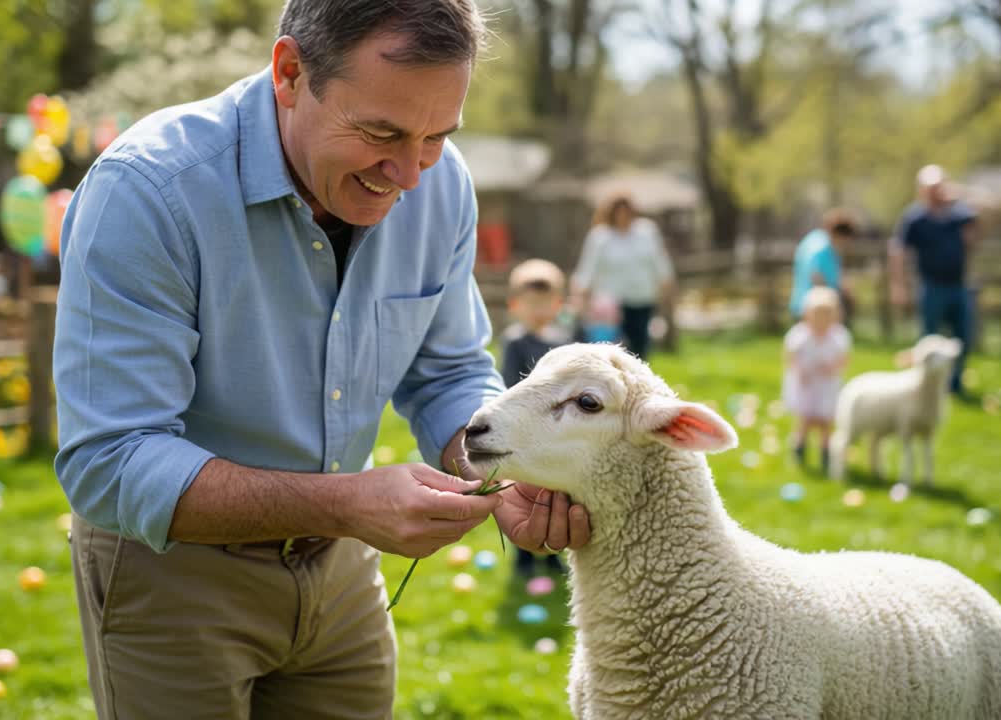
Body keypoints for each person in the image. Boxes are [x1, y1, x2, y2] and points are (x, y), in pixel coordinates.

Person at [52, 3, 591, 718]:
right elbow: (110, 460)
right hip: (170, 577)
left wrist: (497, 466)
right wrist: (347, 503)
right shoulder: (150, 191)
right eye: (381, 132)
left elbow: (449, 370)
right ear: (289, 73)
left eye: (435, 136)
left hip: (341, 569)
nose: (408, 175)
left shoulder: (443, 183)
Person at [499, 258, 570, 577]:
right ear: (516, 306)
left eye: (545, 304)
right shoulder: (515, 342)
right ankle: (523, 554)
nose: (539, 311)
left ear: (558, 305)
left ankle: (553, 551)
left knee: (557, 489)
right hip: (525, 432)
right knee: (524, 489)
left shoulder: (562, 342)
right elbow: (511, 386)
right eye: (531, 305)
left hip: (556, 433)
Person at [890, 164, 978, 396]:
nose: (936, 192)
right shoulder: (914, 218)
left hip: (959, 284)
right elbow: (898, 251)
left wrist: (958, 196)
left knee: (963, 337)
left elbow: (978, 223)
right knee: (929, 339)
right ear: (922, 190)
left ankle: (954, 383)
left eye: (939, 187)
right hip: (931, 286)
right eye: (931, 188)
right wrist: (899, 285)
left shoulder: (959, 213)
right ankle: (925, 384)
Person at [570, 194, 675, 359]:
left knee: (640, 342)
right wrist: (580, 293)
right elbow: (588, 268)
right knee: (615, 346)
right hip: (611, 303)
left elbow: (659, 261)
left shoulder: (646, 232)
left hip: (642, 297)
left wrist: (666, 284)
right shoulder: (600, 237)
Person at [782, 286, 851, 470]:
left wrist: (833, 367)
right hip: (806, 385)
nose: (821, 321)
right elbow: (791, 356)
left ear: (835, 316)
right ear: (807, 315)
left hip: (827, 385)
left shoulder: (838, 336)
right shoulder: (800, 335)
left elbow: (843, 359)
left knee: (826, 421)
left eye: (826, 316)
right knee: (804, 418)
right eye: (817, 315)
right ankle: (799, 448)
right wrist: (799, 371)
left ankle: (825, 452)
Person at [789, 208, 858, 322]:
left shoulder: (815, 238)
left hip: (807, 304)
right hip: (816, 307)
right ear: (840, 235)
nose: (846, 244)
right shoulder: (822, 249)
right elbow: (816, 277)